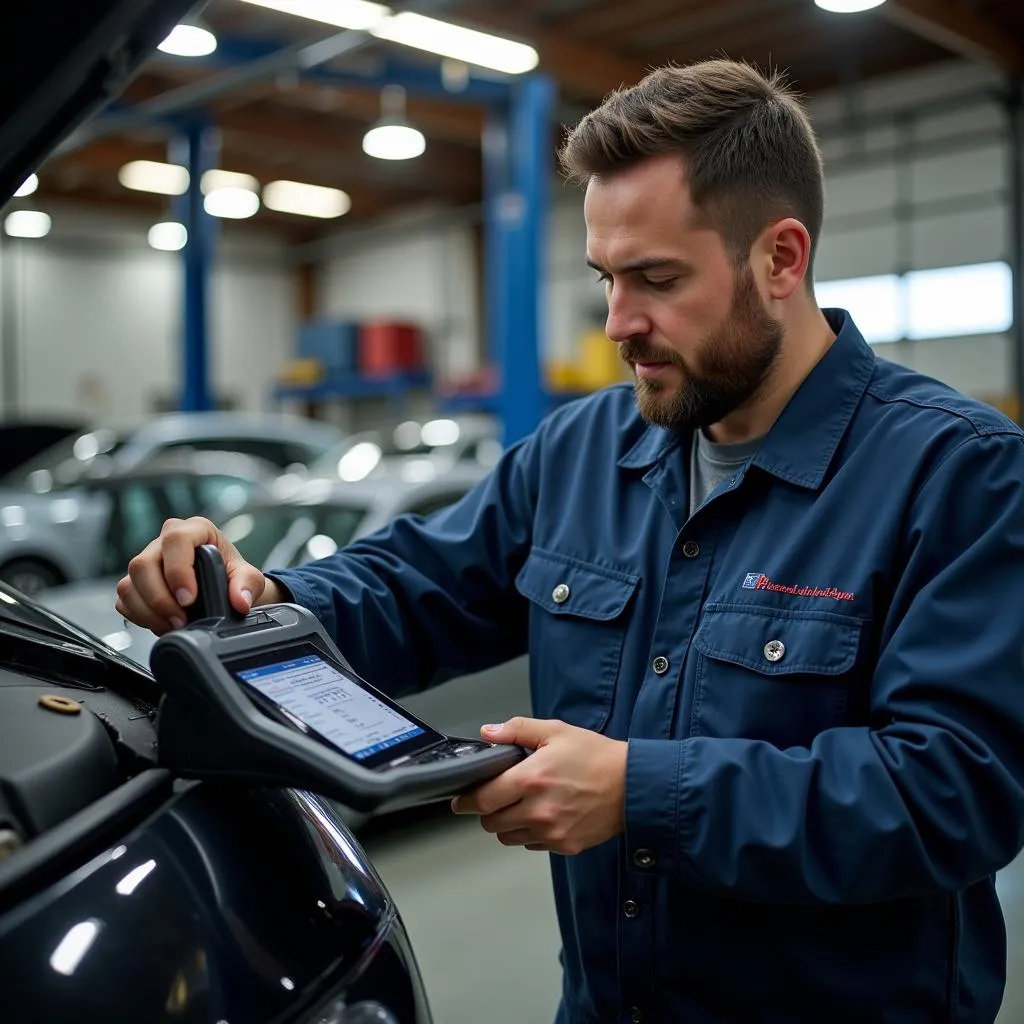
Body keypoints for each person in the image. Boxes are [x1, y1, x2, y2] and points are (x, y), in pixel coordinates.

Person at [118, 58, 1024, 1023]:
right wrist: (254, 597)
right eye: (604, 277)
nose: (618, 323)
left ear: (781, 259)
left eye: (657, 279)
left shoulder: (959, 475)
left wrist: (643, 790)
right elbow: (416, 585)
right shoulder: (584, 450)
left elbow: (955, 791)